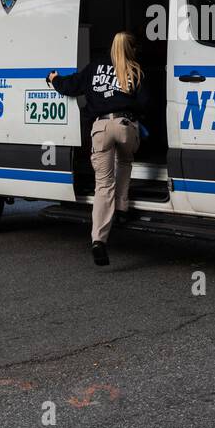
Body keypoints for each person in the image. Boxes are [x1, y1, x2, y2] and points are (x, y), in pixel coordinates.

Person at [48, 32, 148, 266]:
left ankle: (98, 240)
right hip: (125, 126)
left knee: (103, 184)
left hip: (101, 128)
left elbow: (71, 86)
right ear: (131, 49)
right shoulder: (136, 70)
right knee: (124, 161)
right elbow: (146, 103)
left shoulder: (94, 68)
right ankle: (122, 208)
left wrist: (54, 79)